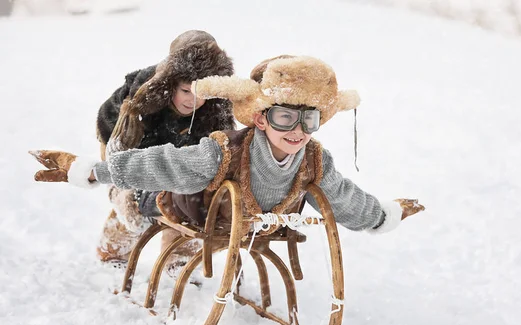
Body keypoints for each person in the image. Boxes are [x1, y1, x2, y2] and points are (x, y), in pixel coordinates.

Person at [32, 55, 424, 239]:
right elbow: (166, 162)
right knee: (144, 206)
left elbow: (342, 197)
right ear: (260, 118)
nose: (298, 131)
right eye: (286, 117)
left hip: (261, 226)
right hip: (197, 211)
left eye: (310, 120)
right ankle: (124, 228)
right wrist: (96, 170)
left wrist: (381, 215)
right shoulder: (224, 152)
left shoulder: (314, 160)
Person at [92, 29, 235, 271]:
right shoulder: (141, 98)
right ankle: (113, 252)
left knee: (189, 202)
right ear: (172, 84)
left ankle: (179, 259)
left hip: (179, 165)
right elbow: (119, 154)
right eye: (186, 91)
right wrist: (132, 186)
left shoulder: (215, 109)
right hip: (130, 152)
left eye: (202, 93)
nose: (193, 100)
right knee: (131, 199)